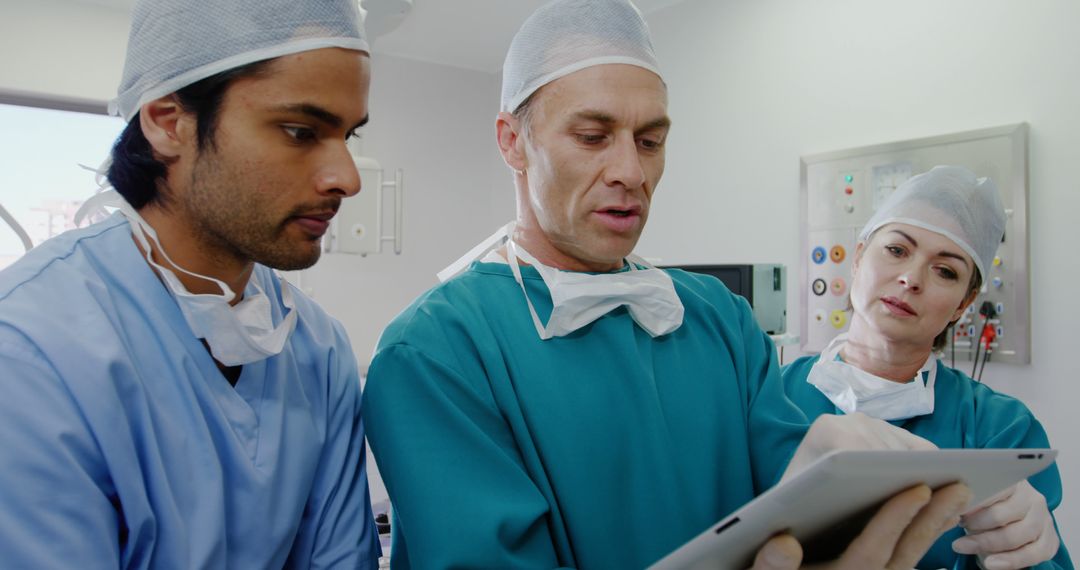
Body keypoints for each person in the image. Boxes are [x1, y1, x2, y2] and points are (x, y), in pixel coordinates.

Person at [362, 1, 970, 567]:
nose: (631, 172)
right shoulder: (438, 350)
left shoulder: (719, 319)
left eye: (650, 141)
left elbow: (792, 495)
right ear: (512, 142)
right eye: (593, 137)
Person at [0, 0, 380, 567]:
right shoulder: (29, 348)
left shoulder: (317, 349)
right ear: (168, 122)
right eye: (301, 132)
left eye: (348, 136)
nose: (347, 179)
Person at [781, 166, 1071, 569]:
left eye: (945, 271)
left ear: (963, 306)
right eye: (897, 250)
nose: (910, 279)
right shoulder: (768, 398)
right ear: (859, 256)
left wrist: (1025, 551)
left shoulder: (999, 428)